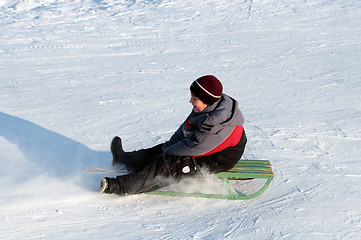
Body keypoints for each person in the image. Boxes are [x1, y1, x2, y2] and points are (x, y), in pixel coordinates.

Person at [100, 75, 247, 195]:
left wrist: (168, 153)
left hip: (218, 158)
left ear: (207, 102)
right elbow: (186, 128)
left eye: (194, 99)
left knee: (171, 165)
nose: (190, 101)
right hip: (203, 144)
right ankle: (125, 160)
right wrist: (168, 147)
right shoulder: (207, 108)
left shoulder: (216, 124)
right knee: (165, 148)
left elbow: (194, 147)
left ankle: (117, 186)